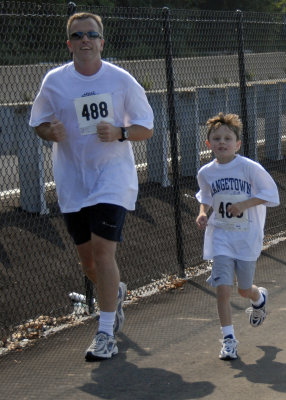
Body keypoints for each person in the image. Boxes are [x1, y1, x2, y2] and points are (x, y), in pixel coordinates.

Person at [29, 12, 154, 361]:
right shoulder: (54, 81)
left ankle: (105, 332)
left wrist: (120, 133)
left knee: (103, 251)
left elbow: (146, 127)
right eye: (78, 35)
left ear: (102, 41)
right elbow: (37, 121)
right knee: (89, 263)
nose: (85, 40)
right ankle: (114, 291)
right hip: (72, 181)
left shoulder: (121, 80)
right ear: (69, 44)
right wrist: (47, 132)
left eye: (92, 34)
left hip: (112, 178)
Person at [195, 112, 279, 360]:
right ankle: (229, 339)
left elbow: (271, 195)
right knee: (223, 289)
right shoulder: (206, 172)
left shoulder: (249, 168)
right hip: (221, 236)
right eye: (216, 138)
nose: (222, 142)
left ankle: (259, 297)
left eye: (227, 138)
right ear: (208, 144)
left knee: (243, 290)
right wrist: (202, 213)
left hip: (246, 237)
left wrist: (244, 205)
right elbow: (206, 197)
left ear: (237, 144)